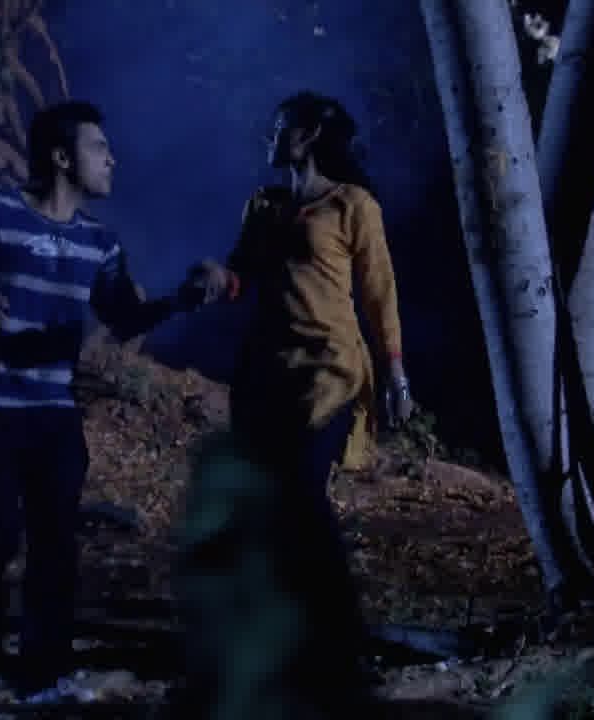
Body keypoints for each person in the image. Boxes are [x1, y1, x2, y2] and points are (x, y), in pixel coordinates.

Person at [0, 100, 208, 701]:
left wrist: (184, 297)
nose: (112, 159)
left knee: (56, 539)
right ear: (63, 157)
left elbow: (123, 317)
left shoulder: (100, 243)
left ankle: (44, 671)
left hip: (52, 410)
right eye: (100, 148)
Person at [187, 90, 413, 714]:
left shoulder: (352, 205)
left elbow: (380, 293)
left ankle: (334, 632)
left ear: (309, 134)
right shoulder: (264, 205)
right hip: (266, 375)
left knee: (304, 495)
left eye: (281, 125)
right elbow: (243, 278)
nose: (270, 133)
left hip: (329, 373)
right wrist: (217, 280)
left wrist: (395, 373)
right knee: (271, 505)